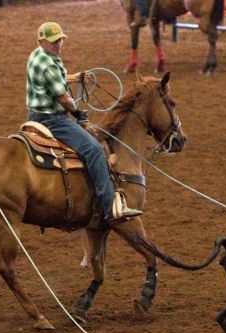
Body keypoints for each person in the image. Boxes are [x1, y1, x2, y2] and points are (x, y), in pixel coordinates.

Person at [26, 22, 143, 224]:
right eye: (54, 41)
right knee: (95, 149)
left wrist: (75, 78)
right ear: (42, 41)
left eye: (60, 40)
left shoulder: (37, 55)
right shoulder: (49, 64)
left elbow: (56, 80)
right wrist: (79, 113)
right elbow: (63, 98)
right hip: (53, 120)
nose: (58, 44)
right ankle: (109, 207)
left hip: (35, 114)